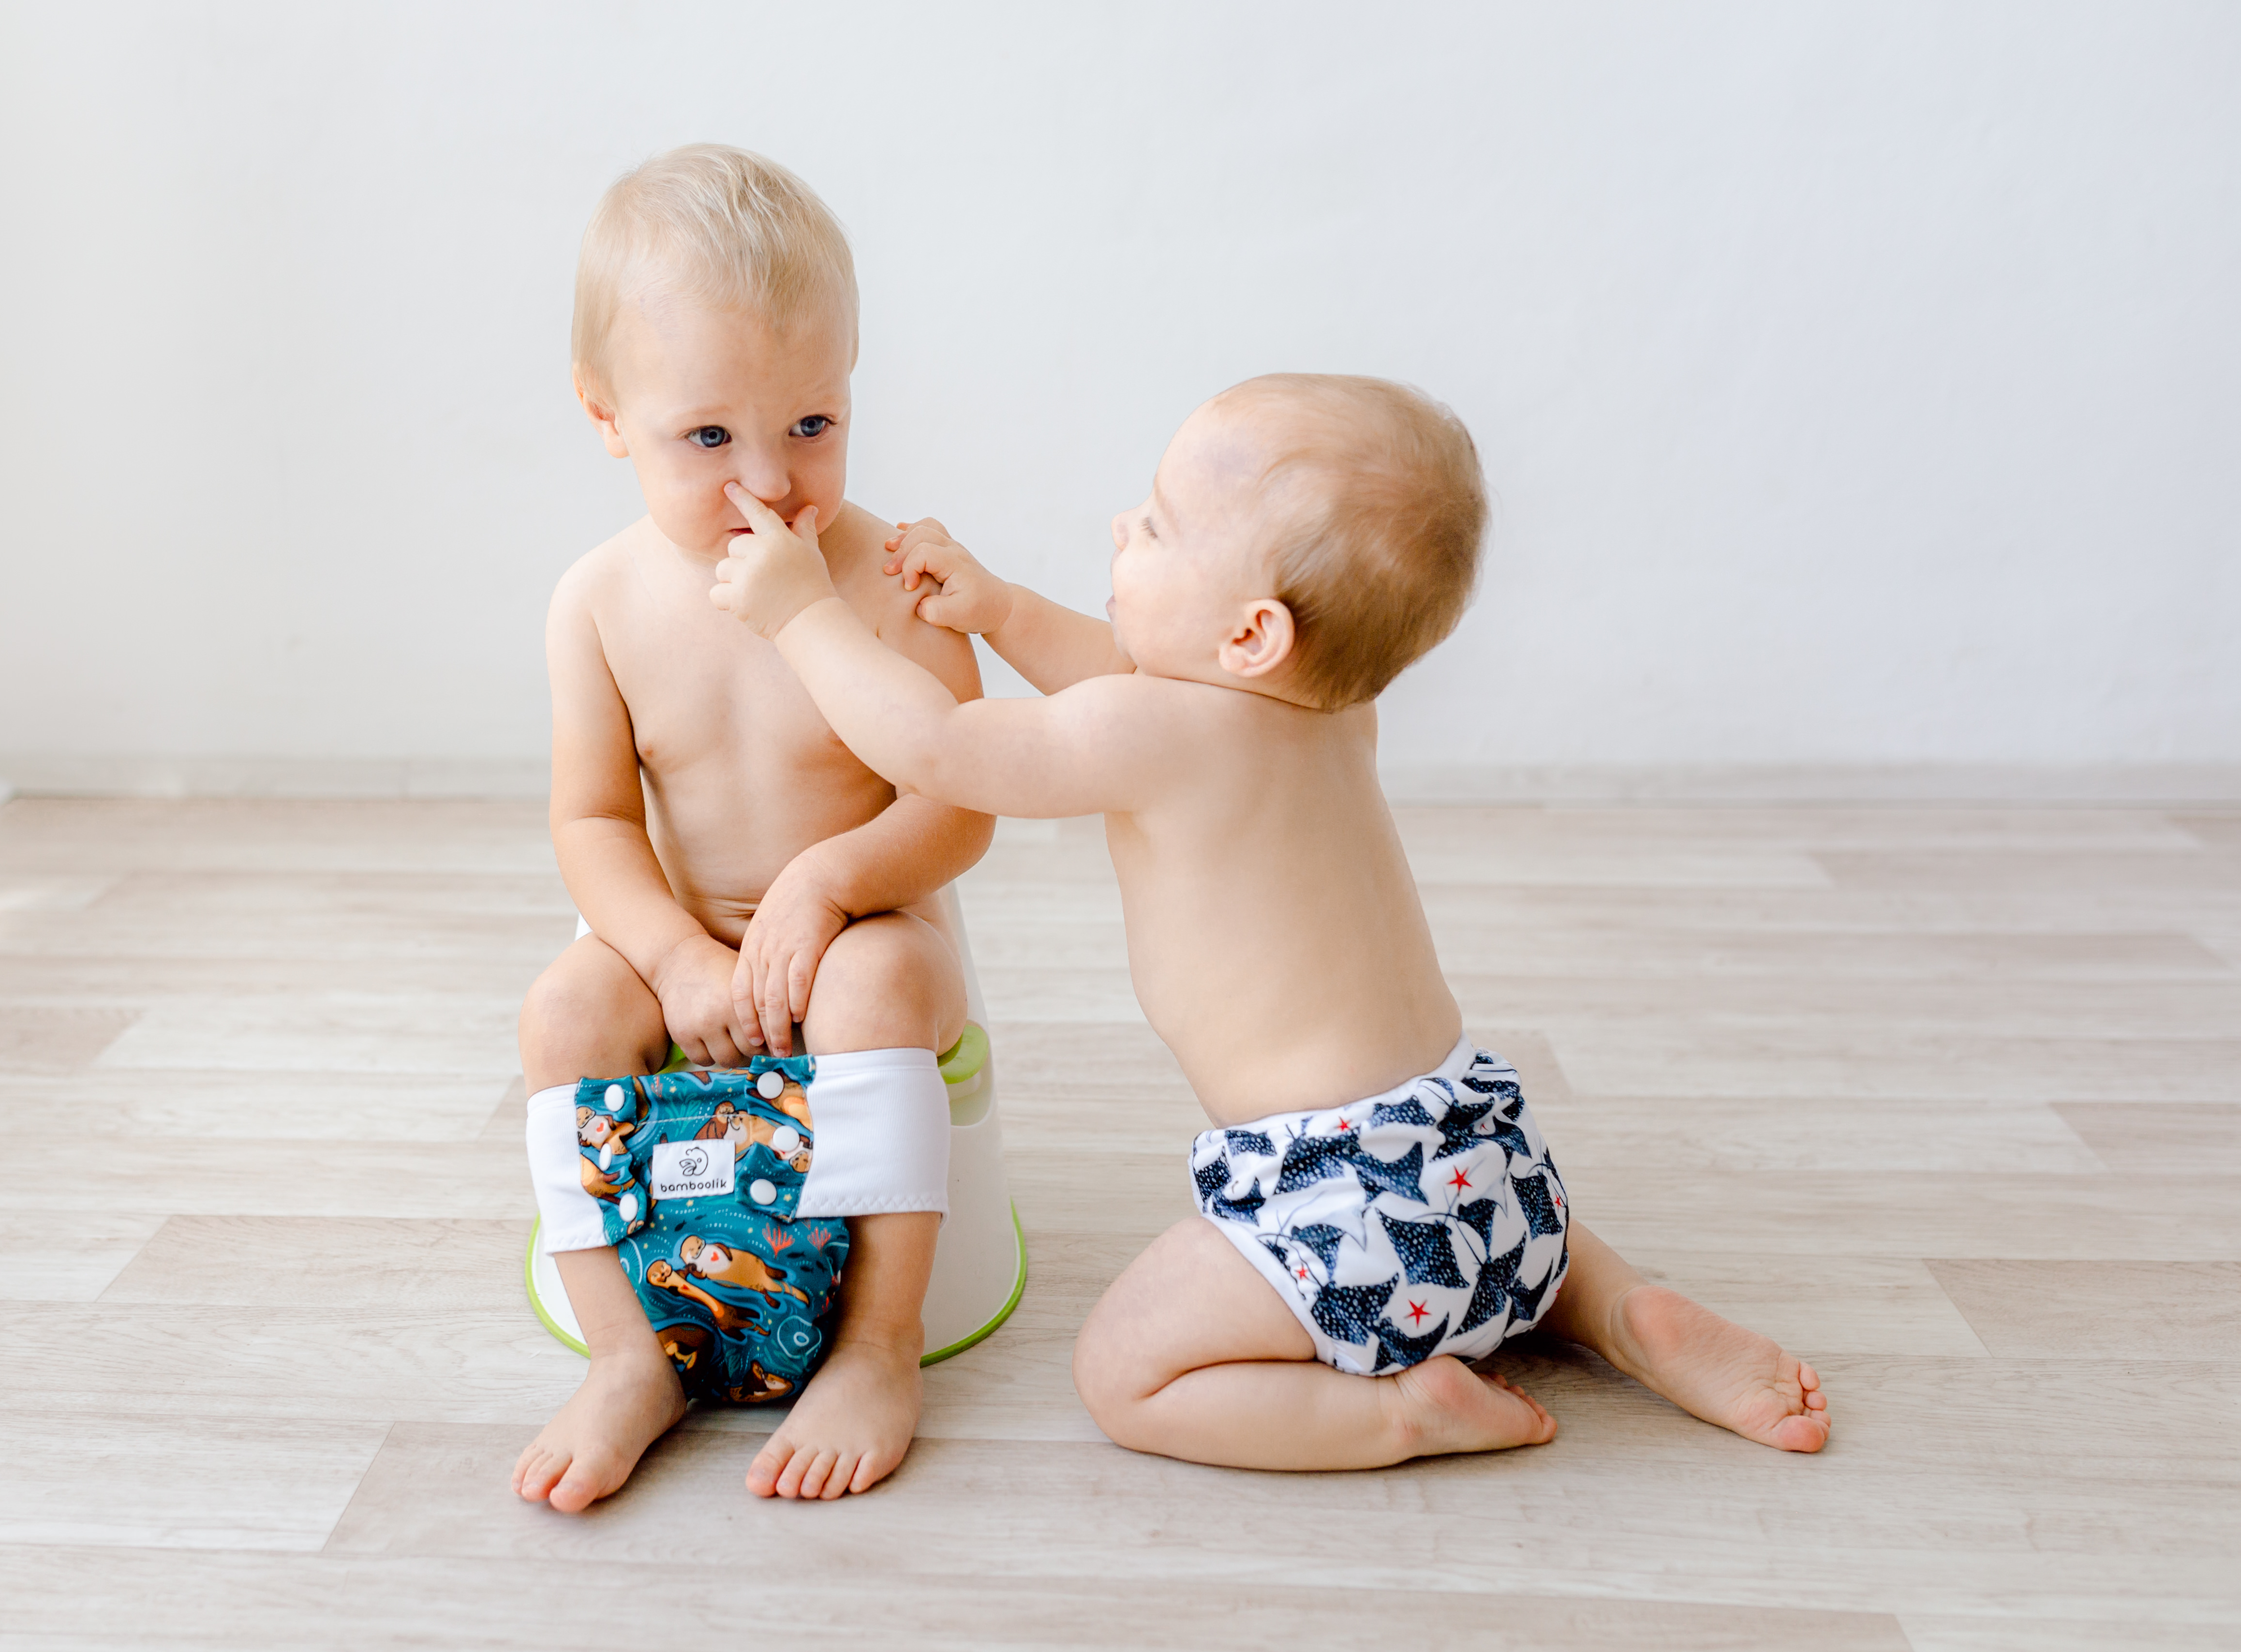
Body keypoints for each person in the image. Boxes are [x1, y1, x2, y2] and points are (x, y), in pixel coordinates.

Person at [710, 373, 1830, 1468]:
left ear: (1249, 635)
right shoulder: (1336, 708)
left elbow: (938, 748)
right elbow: (1135, 679)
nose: (1121, 526)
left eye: (1155, 526)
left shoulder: (1161, 737)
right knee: (1490, 1231)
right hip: (1485, 1147)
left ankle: (1401, 1414)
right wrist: (998, 609)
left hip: (1336, 1193)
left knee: (1126, 1373)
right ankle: (1614, 1303)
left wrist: (802, 612)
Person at [510, 145, 991, 1513]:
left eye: (814, 427)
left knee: (888, 979)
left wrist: (835, 883)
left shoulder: (893, 582)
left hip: (863, 927)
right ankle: (628, 1355)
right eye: (709, 438)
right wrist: (670, 958)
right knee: (561, 1015)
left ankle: (878, 1347)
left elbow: (956, 804)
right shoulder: (599, 603)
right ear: (609, 417)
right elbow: (593, 818)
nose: (769, 483)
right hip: (696, 935)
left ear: (852, 391)